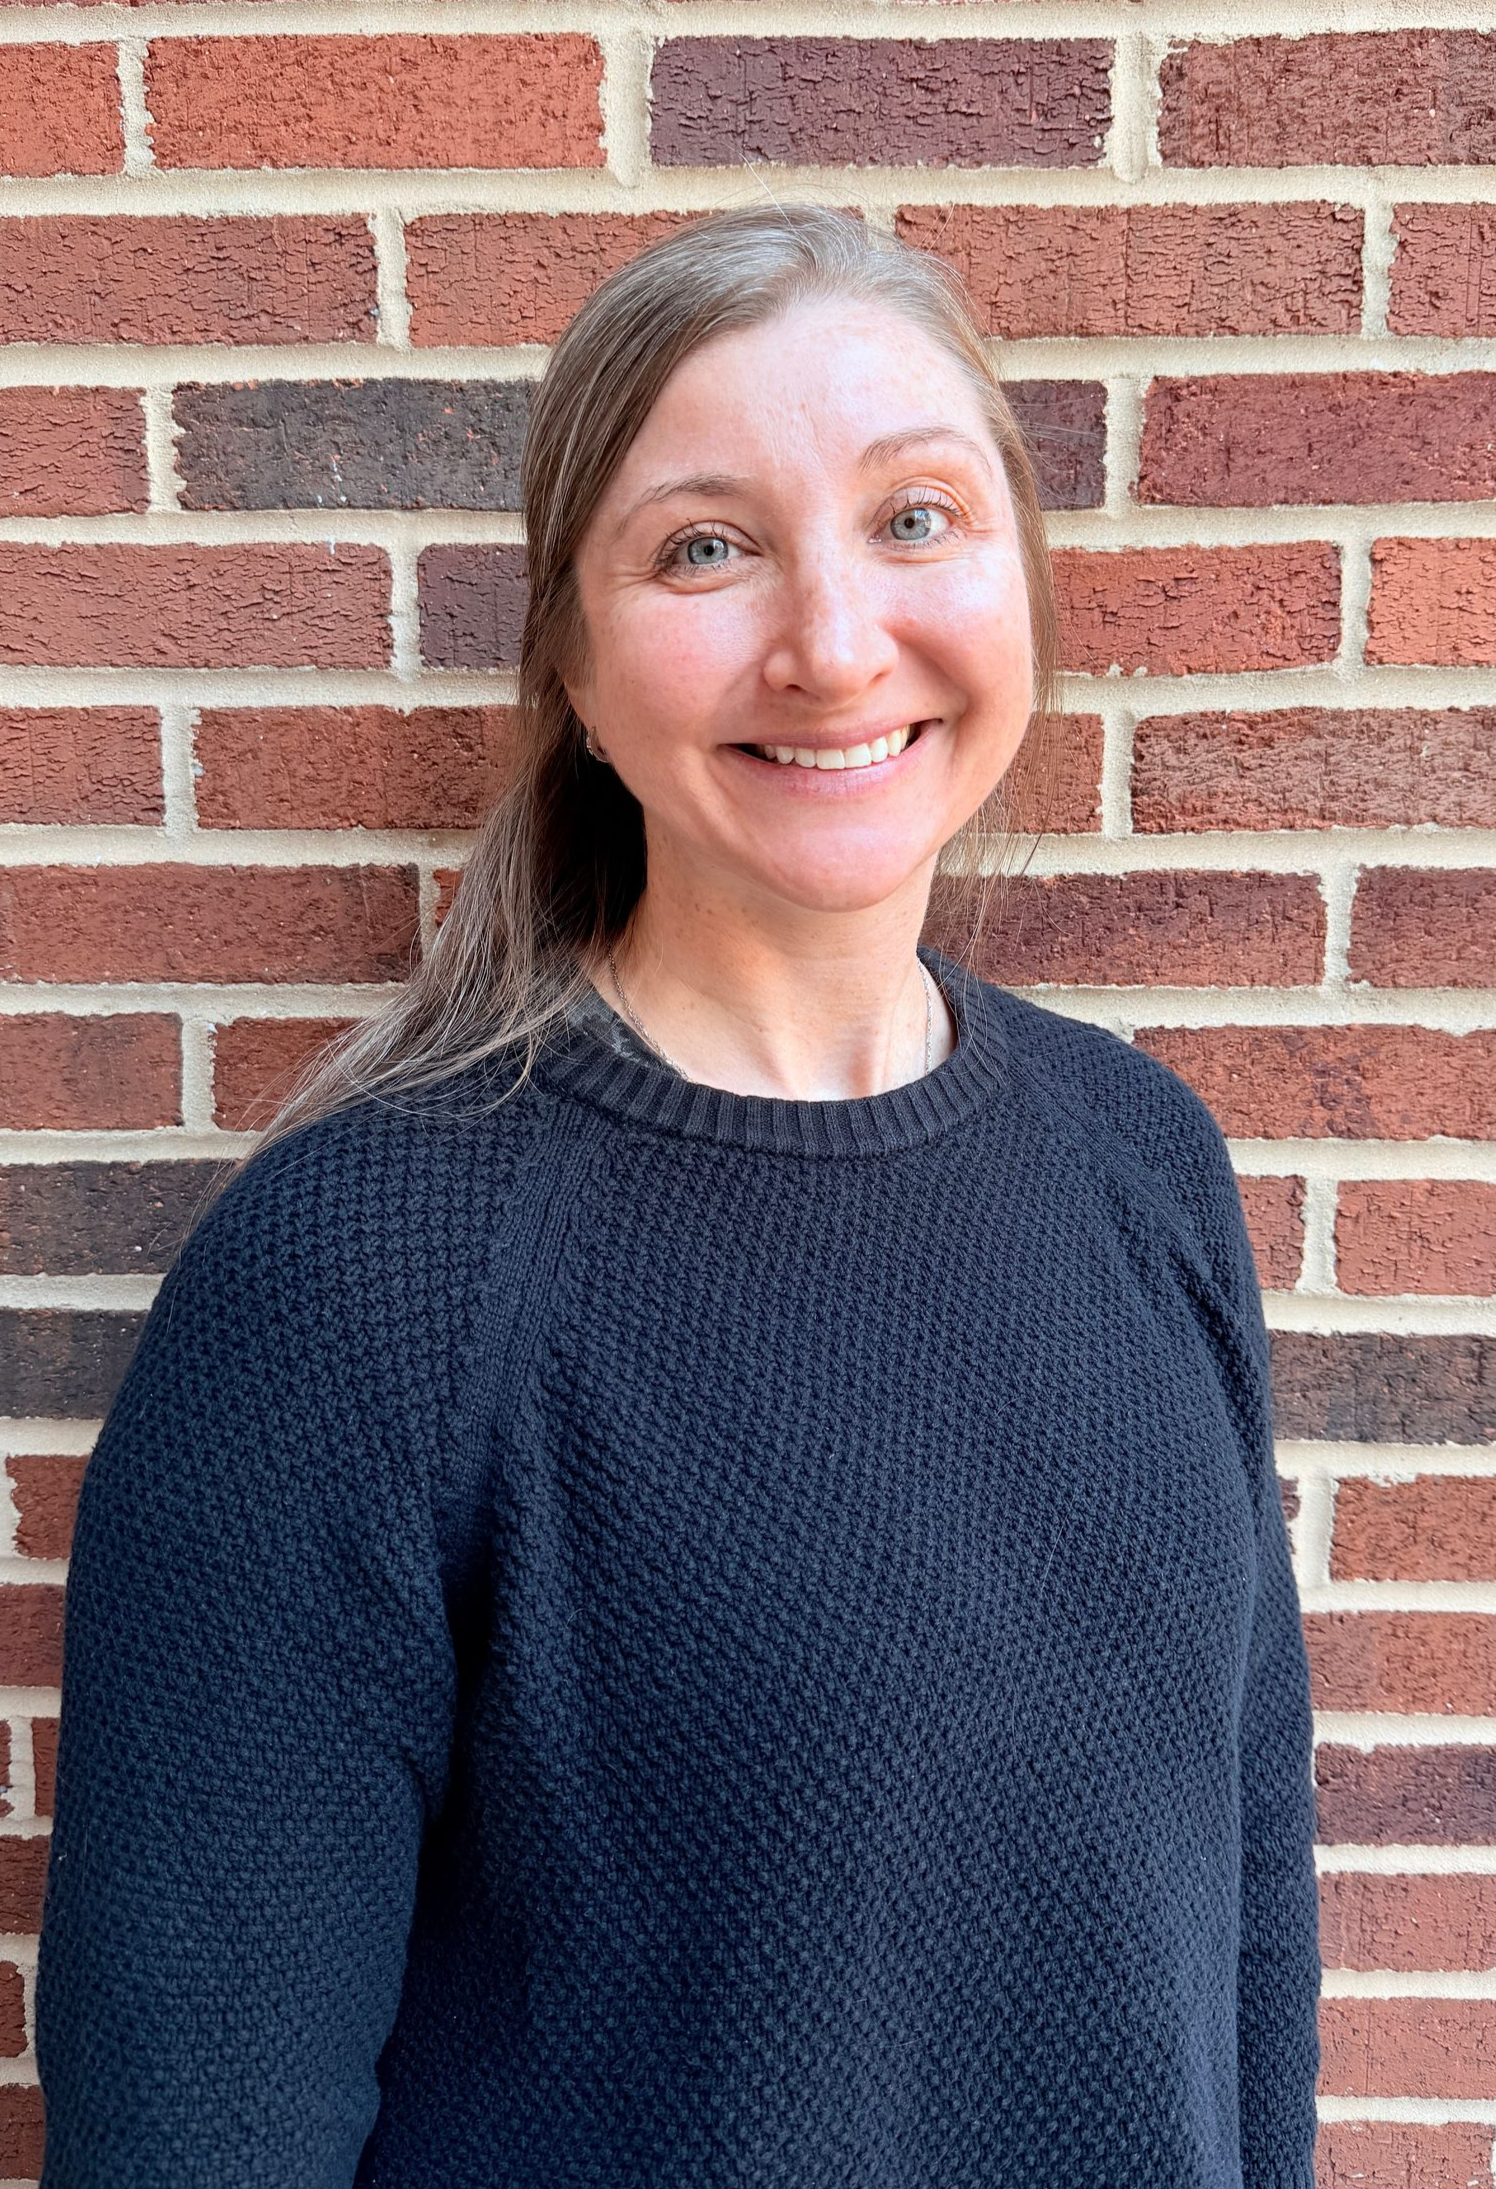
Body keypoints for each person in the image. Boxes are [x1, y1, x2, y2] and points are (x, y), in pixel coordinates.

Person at [34, 202, 1322, 2187]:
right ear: (567, 650)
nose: (833, 643)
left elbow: (1241, 1916)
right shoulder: (365, 1272)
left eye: (915, 517)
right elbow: (196, 2121)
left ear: (1024, 579)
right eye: (706, 547)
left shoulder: (1142, 1163)